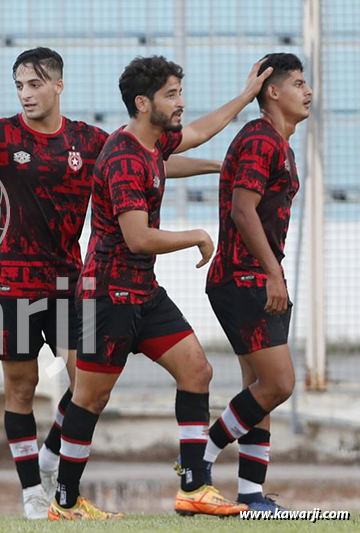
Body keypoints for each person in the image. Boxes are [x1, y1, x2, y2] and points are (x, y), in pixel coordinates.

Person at [0, 48, 219, 519]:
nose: (26, 94)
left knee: (85, 383)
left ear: (58, 86)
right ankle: (32, 494)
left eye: (35, 84)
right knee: (21, 388)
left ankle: (51, 461)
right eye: (20, 85)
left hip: (71, 279)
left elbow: (149, 158)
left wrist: (212, 168)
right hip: (13, 281)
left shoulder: (87, 140)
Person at [48, 56, 273, 520]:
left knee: (197, 371)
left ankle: (194, 487)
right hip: (103, 295)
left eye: (180, 92)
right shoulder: (123, 156)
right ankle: (63, 502)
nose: (182, 103)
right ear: (142, 102)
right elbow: (138, 238)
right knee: (89, 397)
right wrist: (195, 235)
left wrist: (243, 105)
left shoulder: (153, 144)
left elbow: (197, 134)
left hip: (142, 292)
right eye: (172, 94)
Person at [200, 53, 311, 512]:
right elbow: (242, 211)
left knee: (258, 391)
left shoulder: (279, 143)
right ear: (273, 91)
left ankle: (250, 496)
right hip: (243, 277)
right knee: (280, 383)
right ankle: (196, 461)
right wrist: (272, 273)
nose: (308, 91)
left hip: (255, 277)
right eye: (299, 83)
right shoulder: (260, 139)